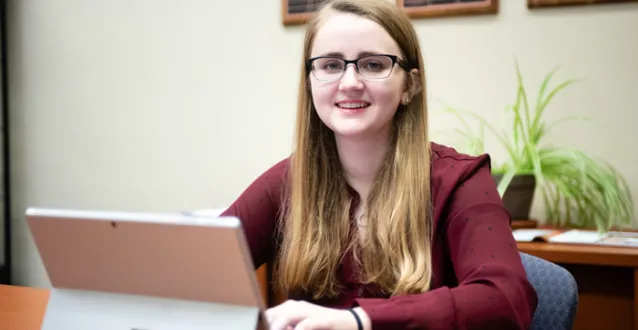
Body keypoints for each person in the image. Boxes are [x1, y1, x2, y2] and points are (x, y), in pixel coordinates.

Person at [220, 0, 538, 329]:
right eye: (330, 65)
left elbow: (505, 298)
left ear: (410, 85)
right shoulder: (288, 181)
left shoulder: (460, 181)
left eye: (372, 65)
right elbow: (196, 273)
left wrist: (359, 321)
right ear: (309, 82)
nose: (350, 82)